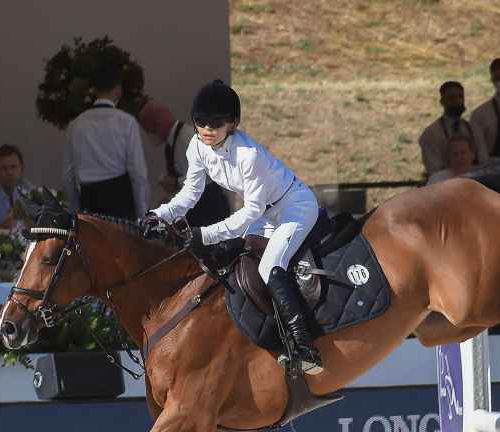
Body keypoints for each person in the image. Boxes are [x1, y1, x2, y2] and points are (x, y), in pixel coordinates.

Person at [142, 80, 323, 373]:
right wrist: (160, 214)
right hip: (266, 213)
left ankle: (305, 347)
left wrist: (206, 233)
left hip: (294, 207)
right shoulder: (196, 147)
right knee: (239, 266)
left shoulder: (248, 156)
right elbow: (190, 192)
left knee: (269, 267)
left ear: (233, 124)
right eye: (200, 122)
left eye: (216, 123)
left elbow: (250, 212)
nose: (206, 129)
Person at [63, 65, 149, 220]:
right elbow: (138, 174)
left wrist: (75, 210)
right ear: (118, 89)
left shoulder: (75, 125)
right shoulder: (126, 122)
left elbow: (68, 176)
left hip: (88, 202)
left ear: (94, 90)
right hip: (121, 203)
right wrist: (142, 215)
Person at [137, 98, 232, 228]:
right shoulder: (173, 143)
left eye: (147, 128)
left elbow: (209, 174)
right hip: (199, 206)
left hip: (209, 208)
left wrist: (176, 182)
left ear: (156, 124)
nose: (149, 134)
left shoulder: (187, 139)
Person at [418, 81, 488, 178]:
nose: (457, 101)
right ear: (442, 102)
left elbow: (483, 161)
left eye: (460, 97)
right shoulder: (431, 134)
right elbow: (433, 168)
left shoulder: (474, 129)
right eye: (451, 97)